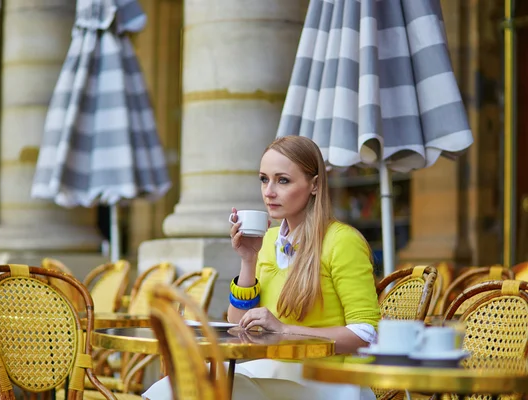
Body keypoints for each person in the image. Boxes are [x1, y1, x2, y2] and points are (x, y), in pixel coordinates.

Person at [143, 136, 380, 400]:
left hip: (330, 383)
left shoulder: (342, 241)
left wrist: (284, 329)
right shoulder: (268, 241)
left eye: (283, 180)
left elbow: (366, 334)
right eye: (264, 179)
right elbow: (236, 322)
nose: (269, 191)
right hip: (275, 374)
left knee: (215, 387)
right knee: (180, 384)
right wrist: (248, 259)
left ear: (314, 185)